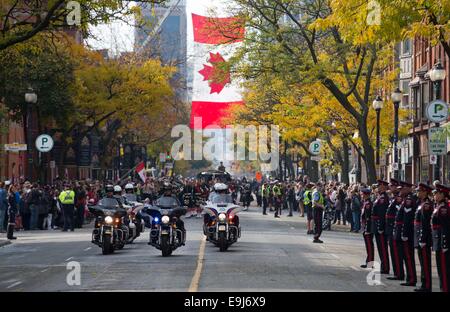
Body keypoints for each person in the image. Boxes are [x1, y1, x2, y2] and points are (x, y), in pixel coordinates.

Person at [414, 182, 433, 292]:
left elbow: (425, 224)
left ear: (425, 192)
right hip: (420, 236)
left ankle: (427, 286)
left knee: (425, 263)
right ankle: (423, 284)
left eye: (419, 191)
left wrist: (422, 238)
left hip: (424, 238)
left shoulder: (426, 205)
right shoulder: (421, 203)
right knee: (422, 262)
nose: (417, 192)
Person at [431, 183, 450, 292]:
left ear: (443, 194)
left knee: (444, 270)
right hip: (438, 241)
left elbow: (445, 227)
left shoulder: (443, 208)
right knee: (441, 270)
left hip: (442, 243)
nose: (434, 196)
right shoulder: (439, 206)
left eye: (437, 193)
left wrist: (444, 244)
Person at [399, 181, 417, 287]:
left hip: (408, 233)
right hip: (407, 232)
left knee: (409, 257)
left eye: (403, 188)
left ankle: (411, 278)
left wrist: (404, 233)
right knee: (407, 257)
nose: (401, 190)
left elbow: (407, 219)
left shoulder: (409, 200)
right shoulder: (407, 199)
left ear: (408, 189)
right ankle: (409, 277)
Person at [386, 178, 405, 281]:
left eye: (392, 186)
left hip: (395, 228)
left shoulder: (398, 199)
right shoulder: (393, 198)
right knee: (393, 252)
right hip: (391, 228)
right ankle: (396, 272)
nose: (390, 187)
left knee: (397, 253)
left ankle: (399, 273)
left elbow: (397, 215)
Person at [372, 180, 390, 274]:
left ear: (383, 186)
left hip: (380, 226)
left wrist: (380, 227)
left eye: (379, 185)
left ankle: (385, 267)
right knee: (380, 247)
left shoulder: (383, 198)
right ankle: (384, 266)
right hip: (377, 225)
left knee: (383, 247)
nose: (377, 187)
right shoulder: (379, 197)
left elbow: (382, 214)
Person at [360, 188, 374, 268]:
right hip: (365, 226)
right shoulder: (365, 203)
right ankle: (368, 261)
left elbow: (368, 218)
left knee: (369, 246)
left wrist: (367, 229)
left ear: (366, 194)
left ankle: (370, 263)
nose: (361, 196)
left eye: (362, 194)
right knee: (368, 246)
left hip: (368, 227)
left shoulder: (368, 204)